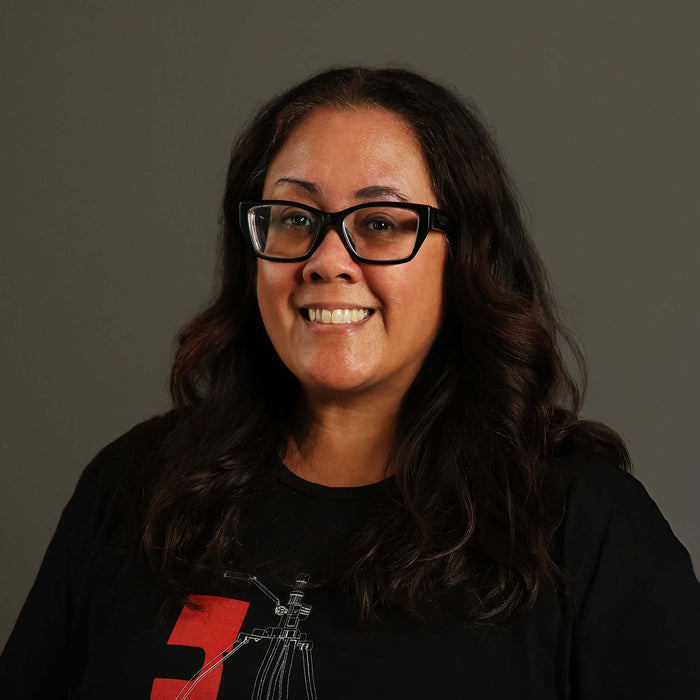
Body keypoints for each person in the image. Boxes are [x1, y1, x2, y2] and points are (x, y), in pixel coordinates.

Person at [2, 66, 699, 699]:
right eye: (295, 219)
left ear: (465, 260)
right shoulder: (134, 488)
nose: (327, 260)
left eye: (382, 223)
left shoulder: (581, 526)